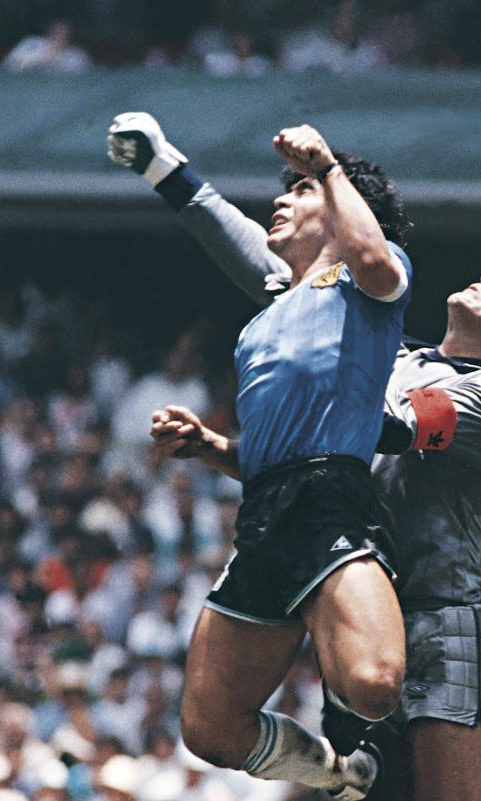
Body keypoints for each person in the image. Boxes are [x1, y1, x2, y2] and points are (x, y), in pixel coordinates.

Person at [109, 113, 481, 800]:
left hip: (434, 612)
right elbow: (312, 417)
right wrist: (221, 448)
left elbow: (373, 430)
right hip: (347, 580)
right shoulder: (391, 352)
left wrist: (312, 328)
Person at [108, 113, 415, 800]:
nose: (281, 199)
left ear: (342, 211)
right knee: (210, 729)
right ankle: (341, 775)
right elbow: (224, 229)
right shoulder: (270, 314)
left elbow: (369, 257)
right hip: (265, 511)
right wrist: (210, 447)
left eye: (300, 191)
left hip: (331, 503)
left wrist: (329, 167)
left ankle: (386, 677)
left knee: (373, 684)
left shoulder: (370, 283)